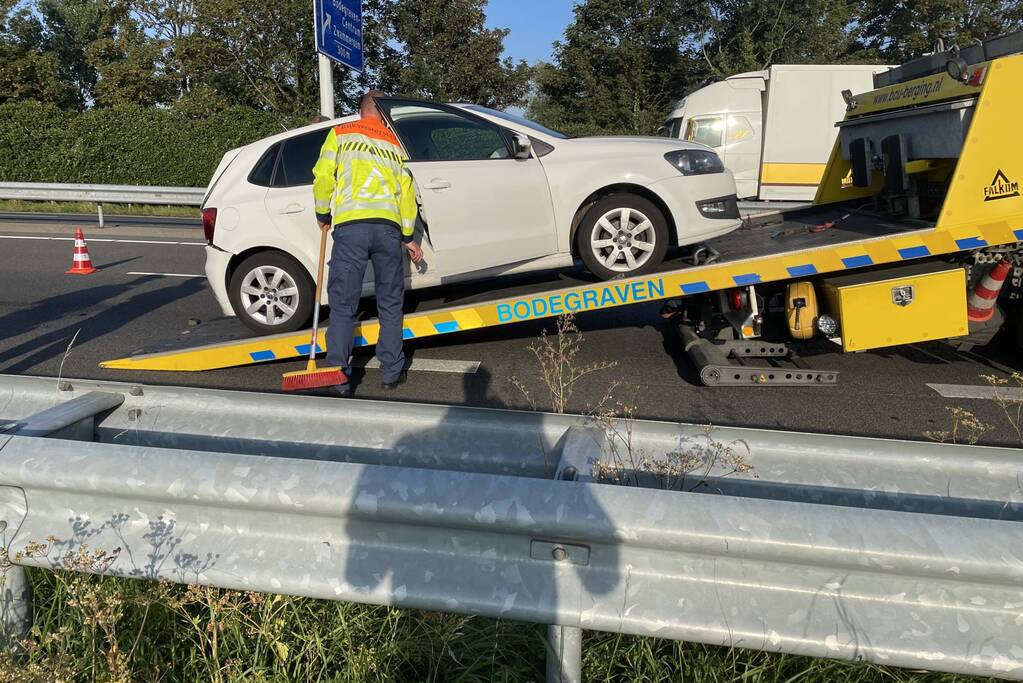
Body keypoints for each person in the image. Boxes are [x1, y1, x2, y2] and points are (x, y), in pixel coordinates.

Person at [312, 90, 423, 397]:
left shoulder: (340, 133)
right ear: (384, 112)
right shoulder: (394, 144)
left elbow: (323, 177)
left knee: (344, 305)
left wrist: (322, 212)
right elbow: (407, 195)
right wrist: (408, 237)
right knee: (390, 303)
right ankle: (390, 372)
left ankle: (338, 376)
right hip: (387, 231)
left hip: (352, 229)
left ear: (360, 110)